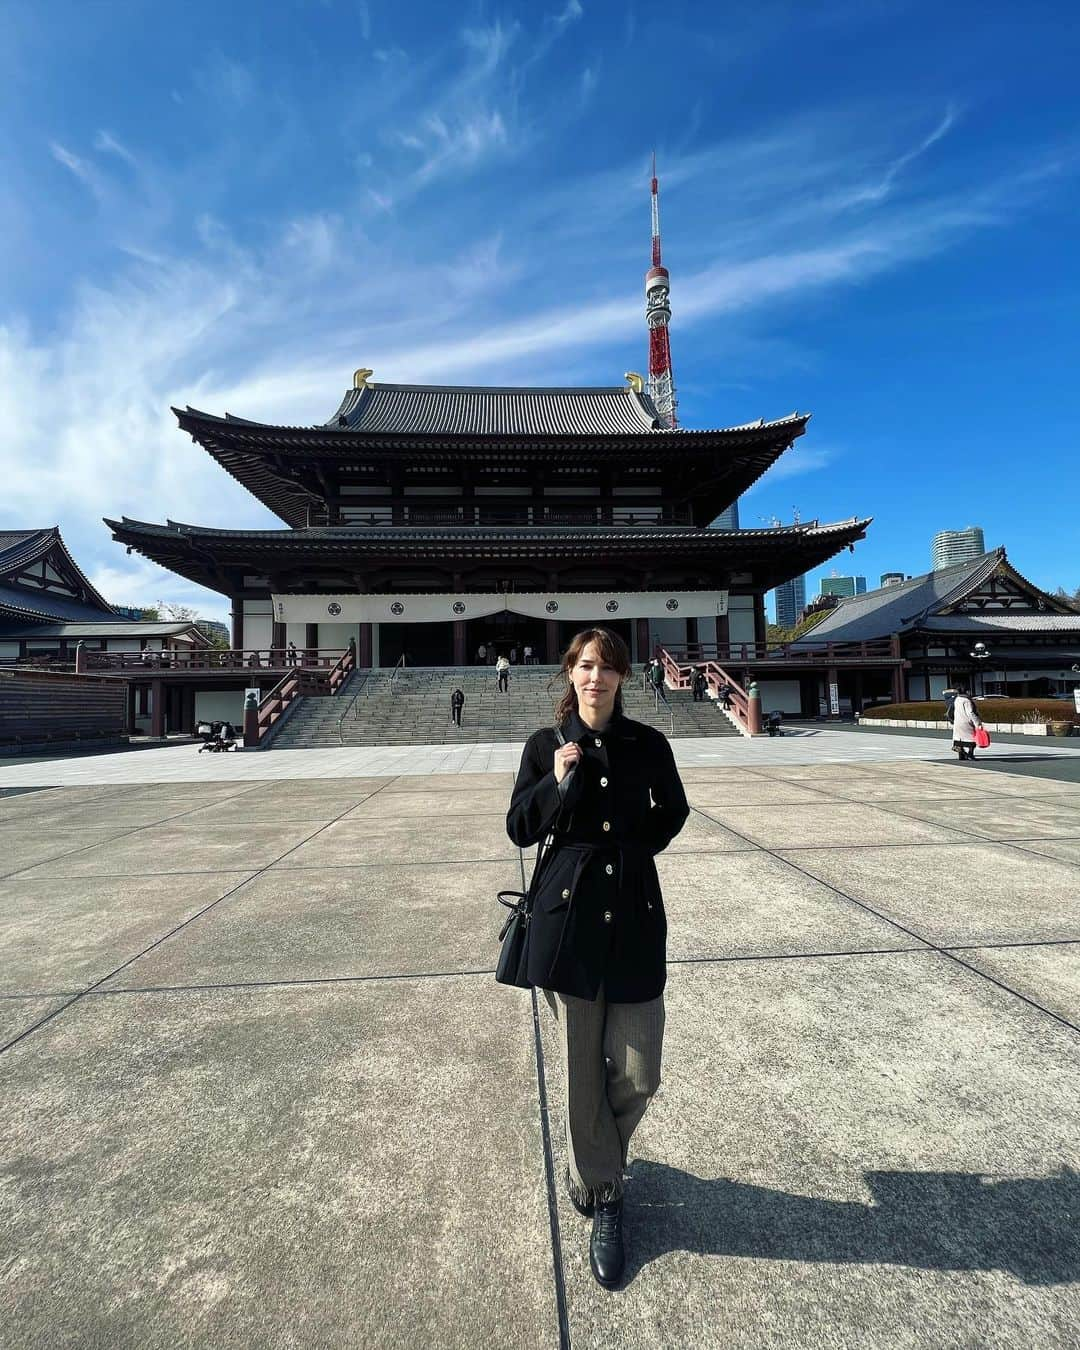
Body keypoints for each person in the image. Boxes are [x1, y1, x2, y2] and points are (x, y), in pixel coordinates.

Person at [506, 628, 689, 1291]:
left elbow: (674, 810)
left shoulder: (650, 744)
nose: (595, 677)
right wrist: (557, 784)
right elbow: (519, 827)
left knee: (639, 1070)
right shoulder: (543, 745)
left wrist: (635, 851)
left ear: (622, 678)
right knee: (581, 1069)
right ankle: (605, 1194)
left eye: (607, 667)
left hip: (635, 915)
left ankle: (591, 1164)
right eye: (585, 666)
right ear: (569, 673)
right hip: (568, 922)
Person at [951, 683, 983, 761]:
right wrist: (977, 723)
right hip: (966, 722)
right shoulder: (967, 701)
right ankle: (970, 754)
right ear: (967, 691)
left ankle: (961, 754)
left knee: (959, 738)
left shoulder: (957, 699)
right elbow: (971, 713)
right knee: (971, 738)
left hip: (958, 722)